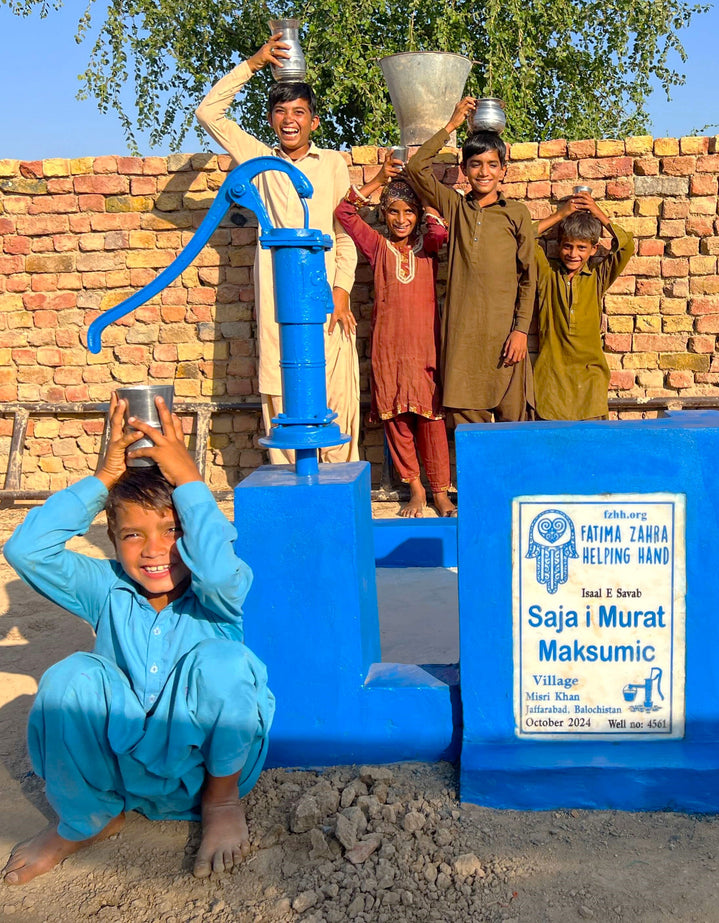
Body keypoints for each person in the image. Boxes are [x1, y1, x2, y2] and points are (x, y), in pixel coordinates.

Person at [1, 395, 274, 884]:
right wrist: (104, 477)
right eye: (133, 535)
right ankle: (88, 819)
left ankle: (223, 803)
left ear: (192, 531)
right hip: (121, 772)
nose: (154, 551)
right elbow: (25, 549)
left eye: (172, 530)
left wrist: (190, 481)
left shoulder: (221, 590)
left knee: (226, 664)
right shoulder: (105, 587)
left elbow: (213, 570)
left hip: (203, 772)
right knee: (70, 677)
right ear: (111, 539)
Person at [196, 34, 360, 464]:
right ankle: (295, 509)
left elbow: (345, 233)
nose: (290, 120)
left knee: (334, 401)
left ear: (314, 122)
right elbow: (208, 113)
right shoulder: (257, 160)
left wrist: (341, 290)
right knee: (282, 392)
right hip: (276, 297)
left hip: (324, 301)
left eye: (299, 113)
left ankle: (337, 505)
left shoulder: (332, 165)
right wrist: (252, 64)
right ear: (271, 120)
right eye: (281, 112)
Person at [334, 156, 456, 517]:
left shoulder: (428, 248)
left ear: (418, 214)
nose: (401, 220)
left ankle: (440, 492)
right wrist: (375, 181)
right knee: (396, 421)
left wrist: (422, 189)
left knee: (431, 422)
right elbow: (344, 214)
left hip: (425, 348)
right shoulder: (377, 247)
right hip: (388, 348)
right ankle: (415, 488)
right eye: (393, 212)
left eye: (409, 212)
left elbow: (439, 231)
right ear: (384, 215)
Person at [404, 97, 536, 425]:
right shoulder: (456, 207)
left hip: (506, 343)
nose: (484, 172)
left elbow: (528, 277)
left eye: (492, 164)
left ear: (503, 170)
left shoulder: (515, 213)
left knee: (512, 436)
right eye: (475, 164)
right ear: (464, 170)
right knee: (470, 439)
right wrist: (451, 125)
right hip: (463, 342)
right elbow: (416, 168)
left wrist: (520, 331)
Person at [533, 191, 635, 420]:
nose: (573, 254)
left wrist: (597, 212)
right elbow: (524, 237)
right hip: (552, 379)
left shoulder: (598, 276)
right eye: (567, 246)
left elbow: (626, 245)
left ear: (593, 250)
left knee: (592, 450)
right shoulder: (547, 274)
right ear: (559, 246)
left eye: (581, 248)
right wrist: (561, 214)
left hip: (591, 379)